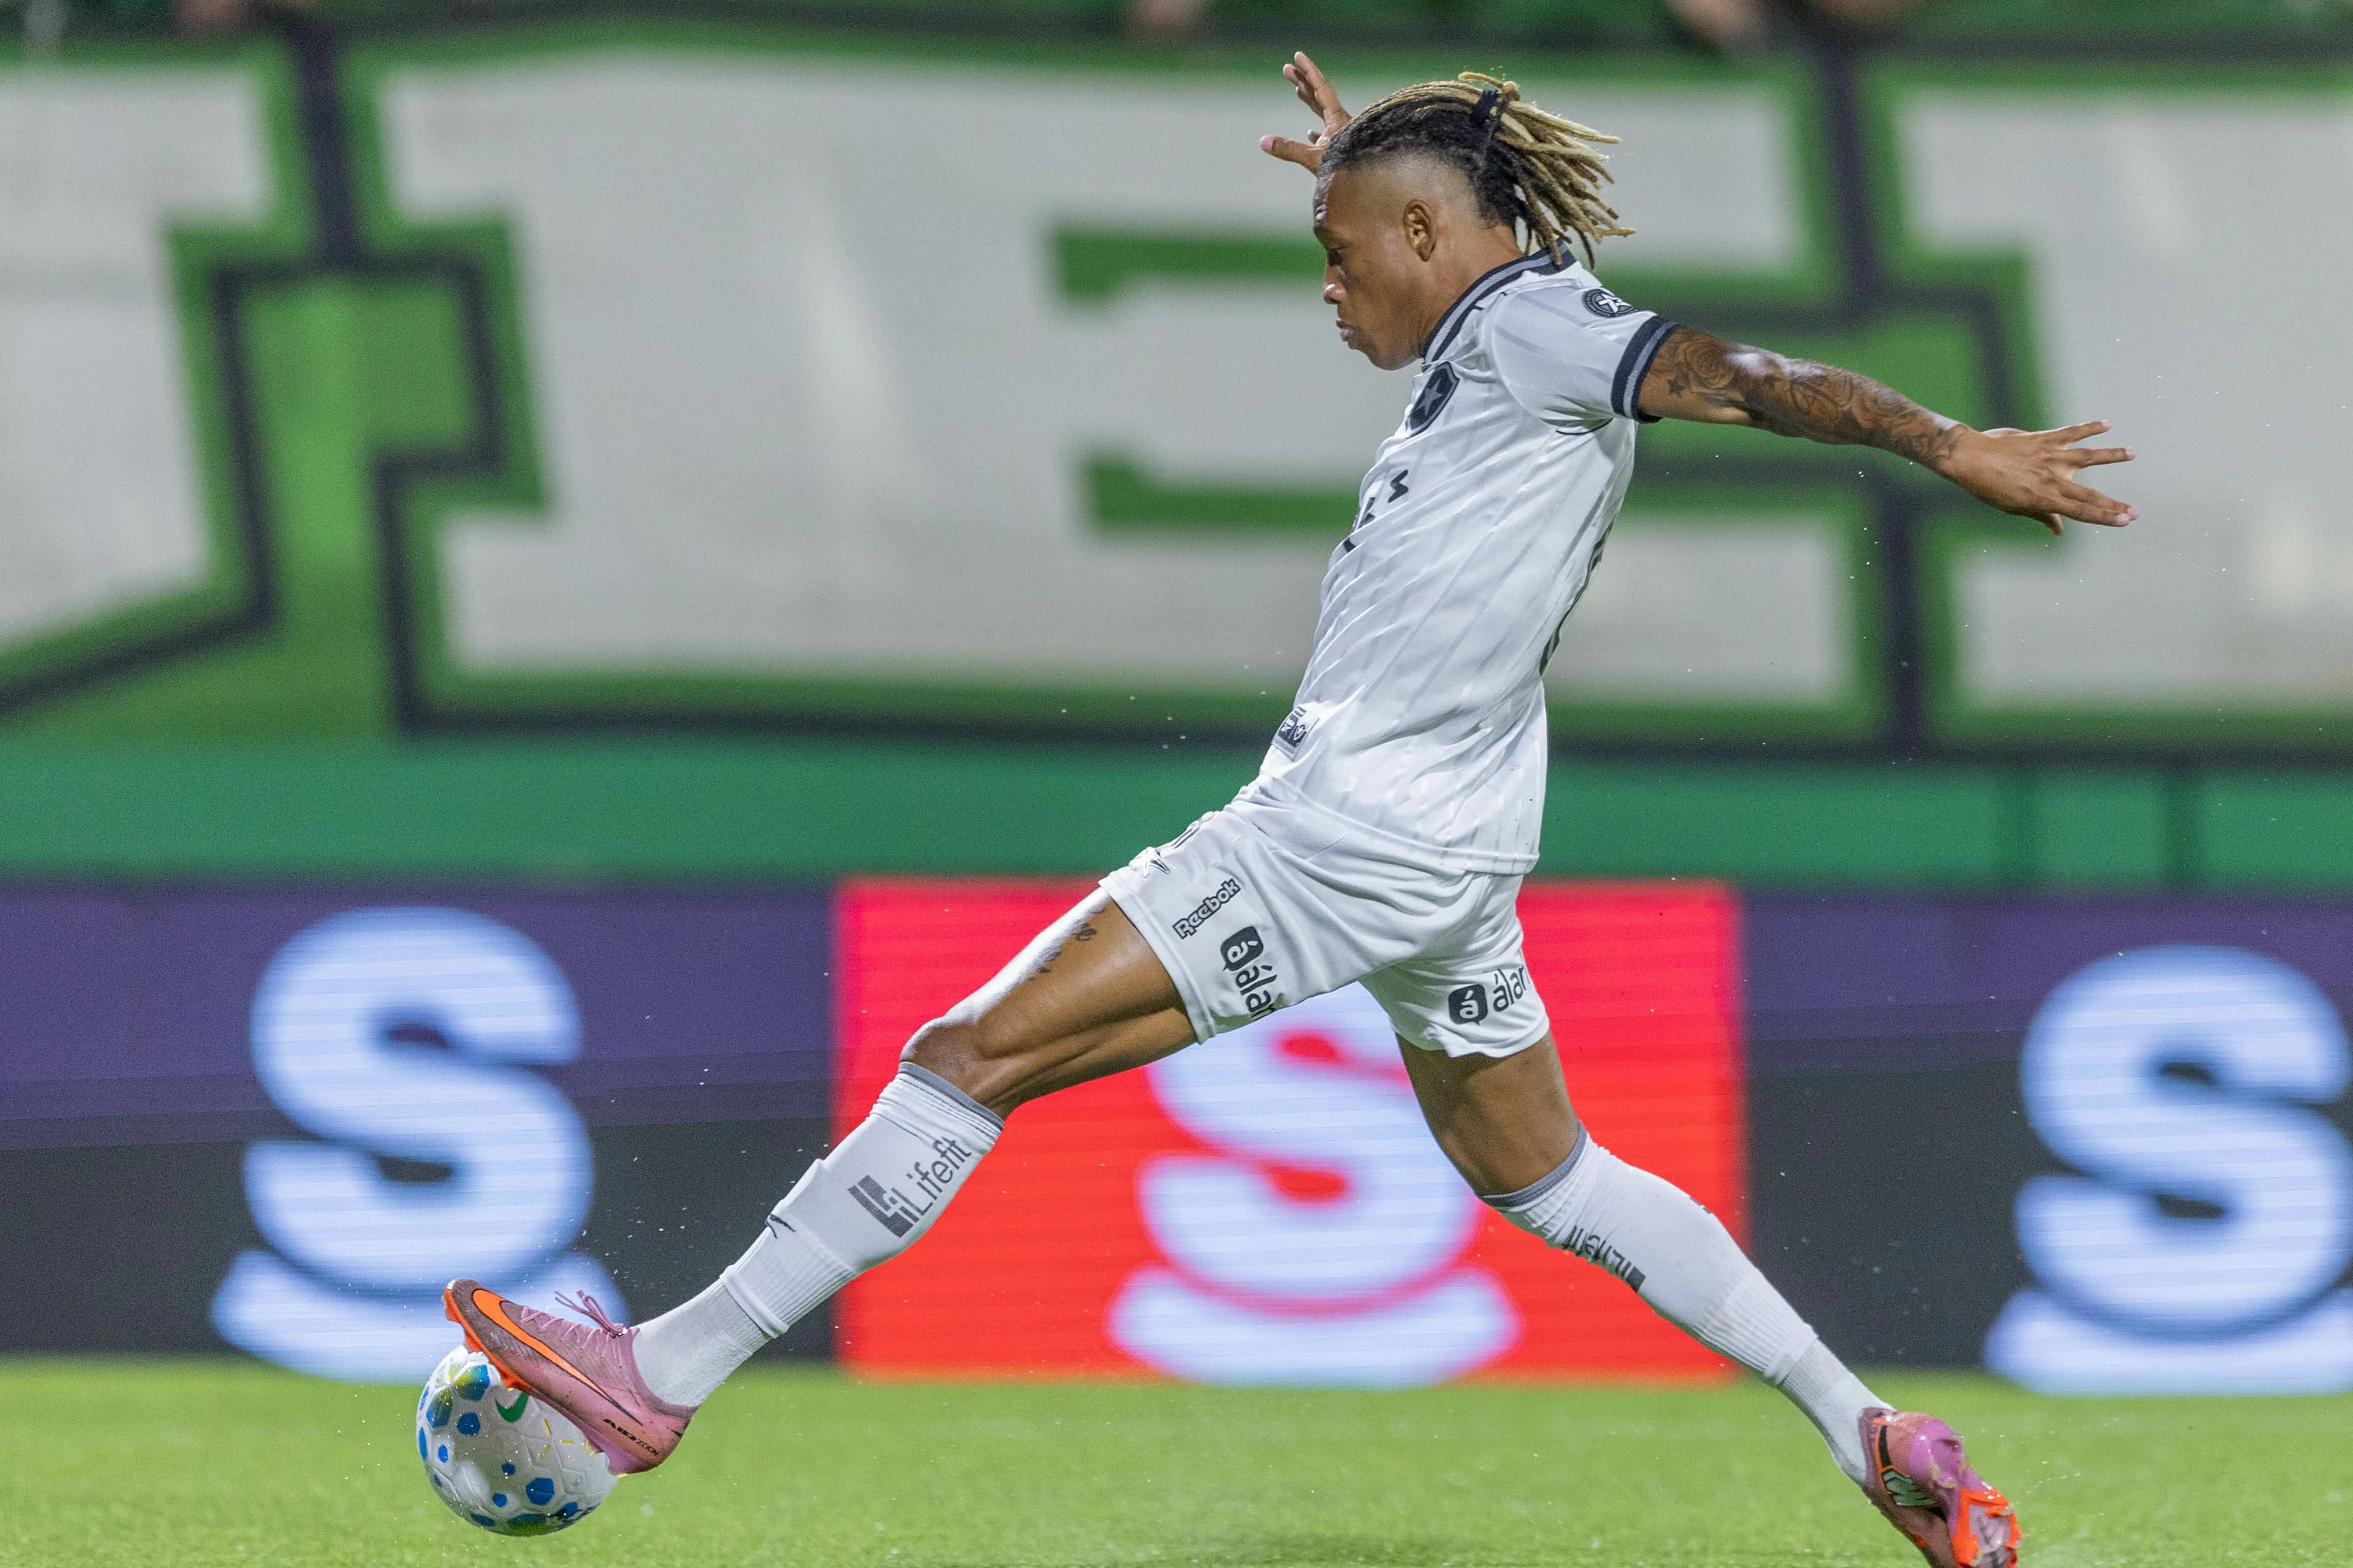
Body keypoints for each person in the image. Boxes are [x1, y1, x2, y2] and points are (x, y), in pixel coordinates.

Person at [448, 53, 2133, 1568]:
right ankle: (1873, 1435)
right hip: (1454, 848)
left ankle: (655, 1375)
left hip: (1349, 837)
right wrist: (1364, 161)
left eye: (1341, 253)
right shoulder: (1505, 318)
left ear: (1419, 230)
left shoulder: (1546, 331)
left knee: (970, 1059)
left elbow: (1747, 373)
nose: (1329, 291)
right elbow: (1505, 277)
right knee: (1543, 1174)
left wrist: (1945, 444)